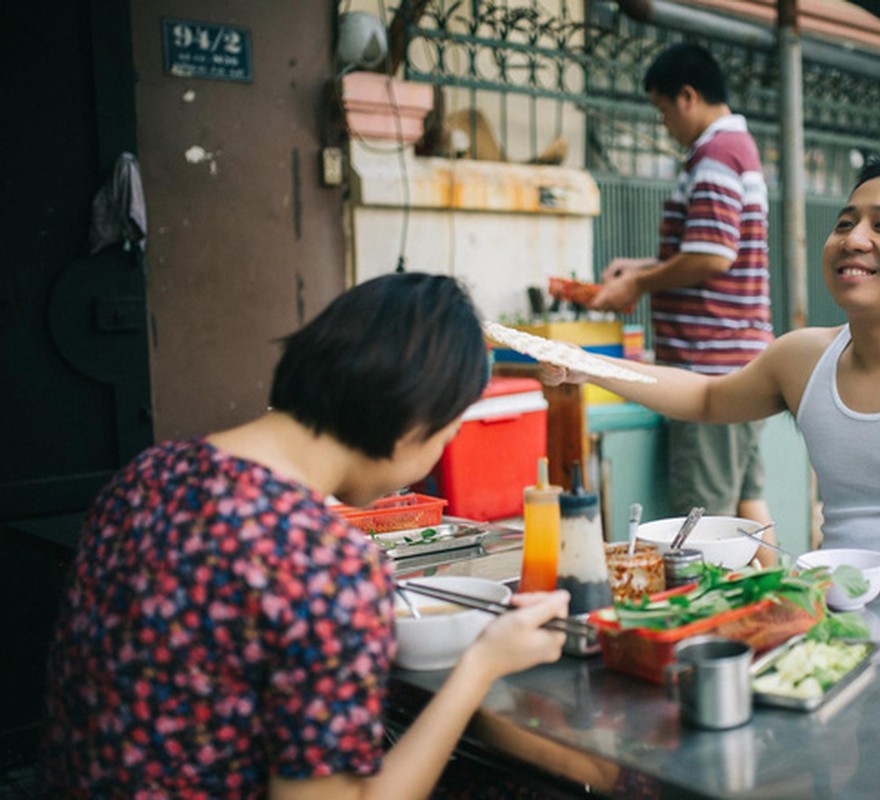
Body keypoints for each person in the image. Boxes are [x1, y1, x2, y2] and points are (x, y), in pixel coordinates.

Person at [41, 273, 570, 798]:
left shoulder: (146, 474)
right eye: (448, 435)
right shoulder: (322, 563)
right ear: (412, 428)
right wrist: (482, 666)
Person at [548, 146, 880, 620]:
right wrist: (587, 364)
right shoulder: (802, 358)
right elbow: (706, 396)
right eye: (845, 222)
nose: (853, 239)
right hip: (831, 637)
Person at [588, 42, 777, 561]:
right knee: (747, 502)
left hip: (709, 369)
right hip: (740, 359)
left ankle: (723, 625)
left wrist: (639, 285)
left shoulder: (716, 155)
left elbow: (713, 255)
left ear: (688, 97)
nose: (665, 122)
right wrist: (642, 268)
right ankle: (786, 600)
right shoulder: (735, 148)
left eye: (663, 109)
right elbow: (708, 251)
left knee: (707, 522)